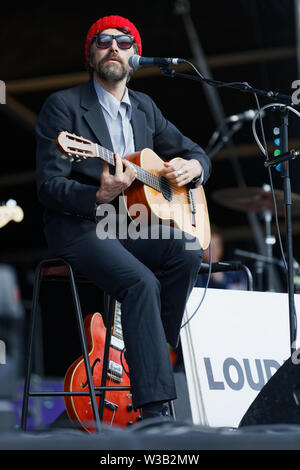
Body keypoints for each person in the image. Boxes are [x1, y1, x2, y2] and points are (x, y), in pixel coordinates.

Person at [35, 15, 211, 421]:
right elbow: (48, 186)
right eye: (103, 40)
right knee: (141, 281)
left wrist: (192, 169)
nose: (114, 46)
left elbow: (195, 151)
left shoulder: (146, 108)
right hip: (79, 225)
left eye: (124, 41)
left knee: (188, 250)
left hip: (129, 225)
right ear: (90, 54)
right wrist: (97, 194)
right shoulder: (63, 107)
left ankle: (149, 351)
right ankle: (155, 411)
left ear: (136, 56)